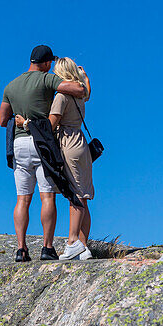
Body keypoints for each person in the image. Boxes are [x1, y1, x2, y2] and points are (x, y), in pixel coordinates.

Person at [0, 45, 87, 262]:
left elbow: (2, 120)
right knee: (47, 196)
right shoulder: (47, 80)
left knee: (22, 199)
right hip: (41, 142)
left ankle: (21, 249)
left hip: (19, 144)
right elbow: (78, 91)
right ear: (47, 63)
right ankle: (47, 248)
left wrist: (19, 118)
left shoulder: (10, 86)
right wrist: (81, 79)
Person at [50, 57, 94, 260]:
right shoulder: (80, 93)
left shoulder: (62, 95)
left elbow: (52, 123)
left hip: (67, 142)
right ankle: (83, 246)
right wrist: (84, 77)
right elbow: (88, 92)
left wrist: (28, 123)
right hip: (82, 143)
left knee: (75, 194)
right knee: (83, 195)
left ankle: (72, 242)